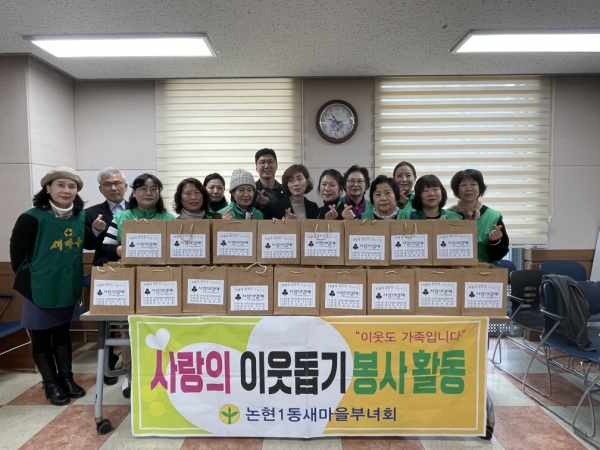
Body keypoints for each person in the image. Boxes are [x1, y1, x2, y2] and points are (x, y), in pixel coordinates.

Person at [10, 167, 98, 406]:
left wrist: (96, 231)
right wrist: (33, 279)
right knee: (41, 335)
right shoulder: (32, 217)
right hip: (38, 286)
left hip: (66, 284)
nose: (66, 190)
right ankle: (50, 384)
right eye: (60, 184)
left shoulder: (80, 216)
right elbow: (17, 255)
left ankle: (66, 379)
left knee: (62, 333)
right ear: (48, 188)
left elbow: (87, 241)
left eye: (72, 186)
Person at [102, 173, 175, 398]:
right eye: (142, 188)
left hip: (163, 284)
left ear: (159, 194)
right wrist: (121, 250)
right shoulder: (121, 217)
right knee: (129, 329)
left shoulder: (170, 219)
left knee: (162, 329)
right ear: (133, 192)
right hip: (130, 282)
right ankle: (130, 374)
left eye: (154, 189)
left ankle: (163, 372)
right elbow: (105, 249)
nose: (148, 192)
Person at [84, 167, 128, 386]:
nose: (114, 188)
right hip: (106, 272)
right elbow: (87, 244)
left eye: (117, 183)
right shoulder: (91, 213)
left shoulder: (137, 208)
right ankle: (108, 366)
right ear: (101, 189)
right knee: (107, 321)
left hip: (132, 271)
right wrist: (95, 231)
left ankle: (129, 364)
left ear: (126, 186)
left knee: (128, 323)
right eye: (108, 184)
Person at [449, 169, 509, 263]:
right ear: (456, 189)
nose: (469, 188)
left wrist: (494, 242)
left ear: (480, 188)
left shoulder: (493, 216)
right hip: (452, 269)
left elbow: (498, 256)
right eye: (464, 185)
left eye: (473, 184)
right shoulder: (446, 216)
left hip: (484, 270)